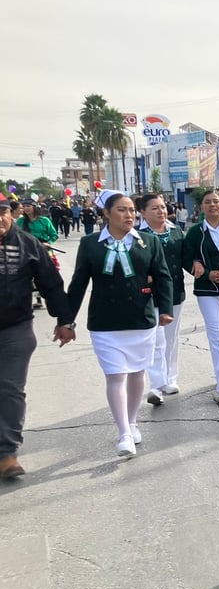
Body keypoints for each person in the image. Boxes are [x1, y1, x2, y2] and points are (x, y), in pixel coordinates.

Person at [66, 192, 174, 457]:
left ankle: (133, 421)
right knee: (115, 376)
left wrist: (166, 309)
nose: (129, 216)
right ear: (106, 214)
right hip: (105, 322)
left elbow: (163, 276)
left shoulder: (147, 242)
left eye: (131, 211)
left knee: (137, 374)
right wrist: (66, 319)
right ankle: (123, 433)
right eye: (122, 210)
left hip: (141, 319)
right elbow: (79, 283)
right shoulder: (91, 244)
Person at [0, 194, 77, 479]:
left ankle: (6, 453)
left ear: (11, 214)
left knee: (9, 389)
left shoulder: (28, 244)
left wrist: (64, 320)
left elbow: (51, 284)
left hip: (15, 328)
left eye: (3, 213)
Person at [183, 190, 219, 399]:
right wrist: (205, 272)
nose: (212, 205)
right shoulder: (195, 232)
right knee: (216, 335)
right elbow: (186, 258)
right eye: (207, 202)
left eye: (216, 201)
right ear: (202, 208)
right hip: (207, 291)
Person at [138, 193, 186, 403]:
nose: (161, 211)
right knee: (155, 340)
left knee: (170, 338)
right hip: (149, 294)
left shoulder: (176, 231)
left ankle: (170, 378)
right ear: (143, 212)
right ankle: (156, 385)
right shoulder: (137, 235)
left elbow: (186, 255)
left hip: (175, 291)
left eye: (163, 207)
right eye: (155, 208)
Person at [17, 202, 60, 309]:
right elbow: (16, 235)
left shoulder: (44, 220)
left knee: (47, 274)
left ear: (35, 207)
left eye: (28, 206)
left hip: (44, 249)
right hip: (27, 250)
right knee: (30, 275)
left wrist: (48, 243)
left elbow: (54, 235)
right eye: (24, 206)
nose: (26, 208)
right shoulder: (21, 221)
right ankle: (38, 299)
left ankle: (51, 299)